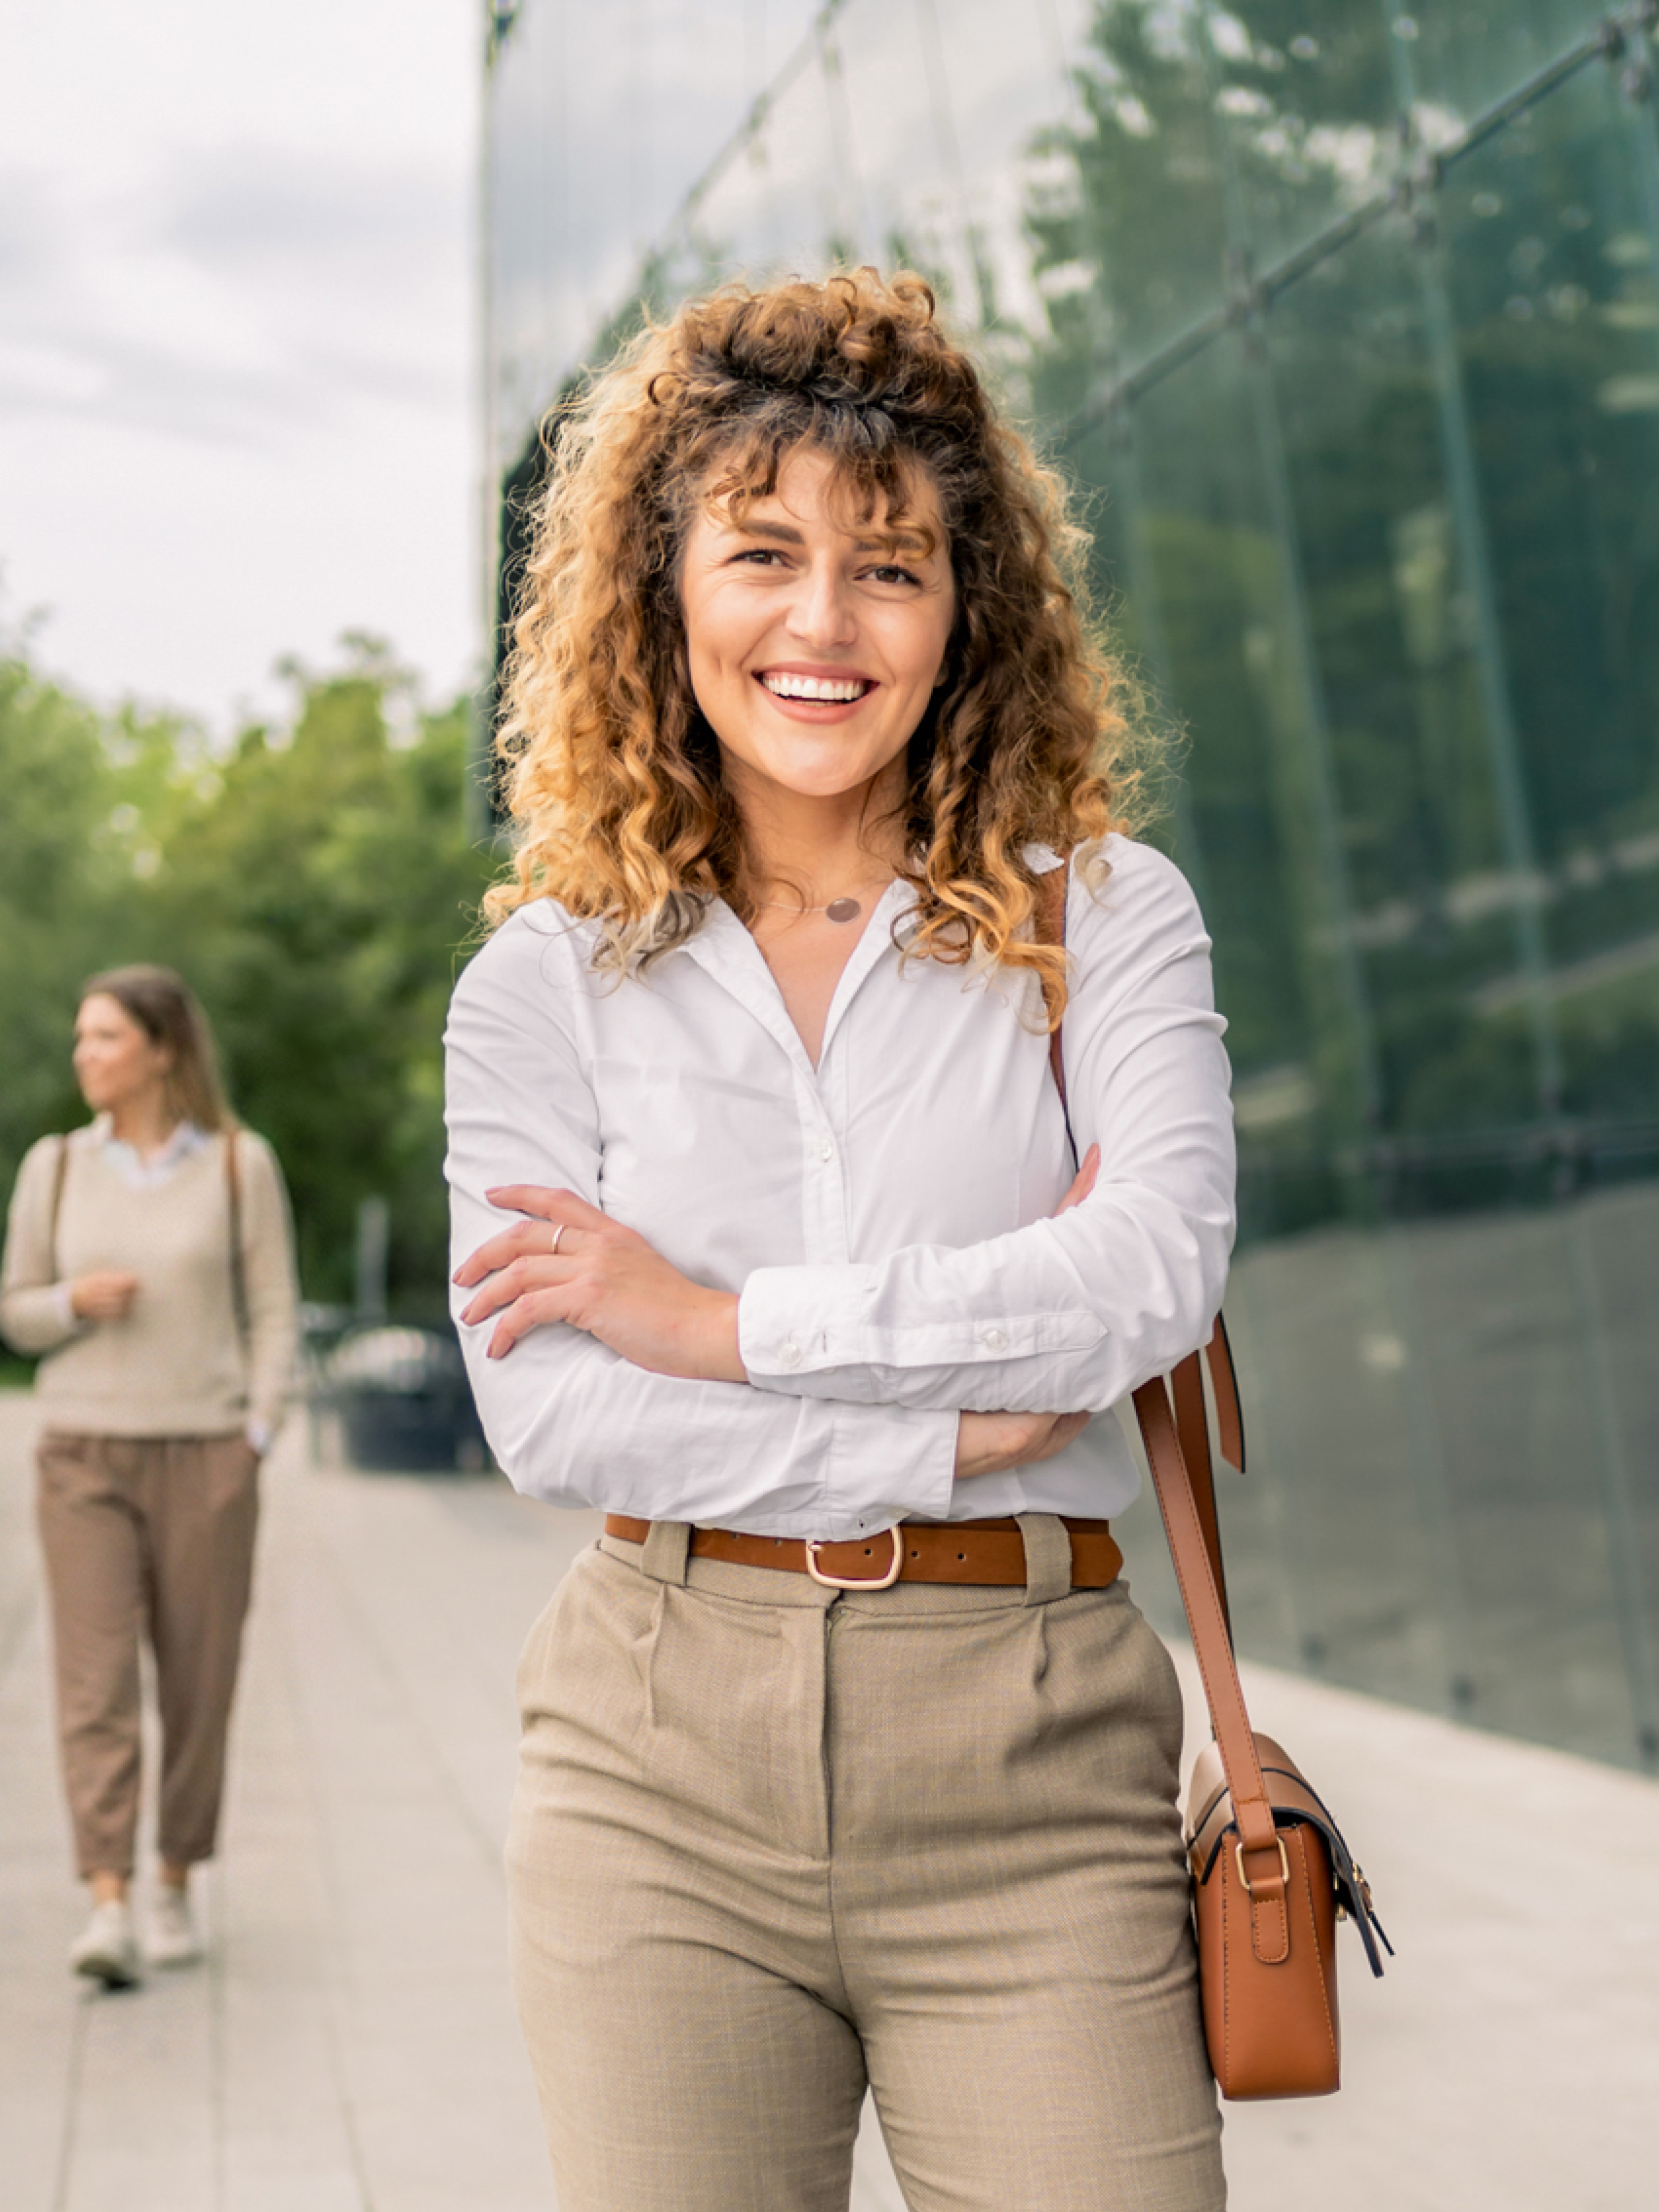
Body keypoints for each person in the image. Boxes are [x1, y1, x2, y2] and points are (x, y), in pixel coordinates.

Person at [446, 269, 1235, 2210]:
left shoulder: (1101, 918)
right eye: (762, 551)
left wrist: (712, 1323)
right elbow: (556, 1420)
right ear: (662, 585)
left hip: (1032, 1754)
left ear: (968, 609)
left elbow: (1145, 1275)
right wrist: (928, 1421)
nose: (820, 623)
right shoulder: (545, 982)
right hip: (656, 1760)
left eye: (886, 567)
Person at [0, 966, 298, 1988]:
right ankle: (109, 1903)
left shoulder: (235, 1166)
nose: (84, 1054)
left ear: (162, 1049)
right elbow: (15, 1310)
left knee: (198, 1682)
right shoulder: (53, 1166)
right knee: (93, 1686)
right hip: (82, 1450)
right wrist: (72, 1299)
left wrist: (254, 1435)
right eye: (81, 1037)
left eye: (104, 1038)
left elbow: (274, 1316)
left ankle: (173, 1876)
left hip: (206, 1456)